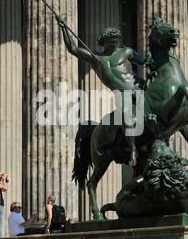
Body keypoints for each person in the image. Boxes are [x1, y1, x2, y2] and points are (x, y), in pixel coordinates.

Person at [56, 15, 145, 166]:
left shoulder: (126, 52)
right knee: (126, 113)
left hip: (139, 87)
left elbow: (145, 62)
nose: (115, 41)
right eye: (111, 39)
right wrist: (64, 28)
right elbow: (73, 49)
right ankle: (133, 149)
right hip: (122, 93)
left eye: (116, 38)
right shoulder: (96, 58)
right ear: (104, 41)